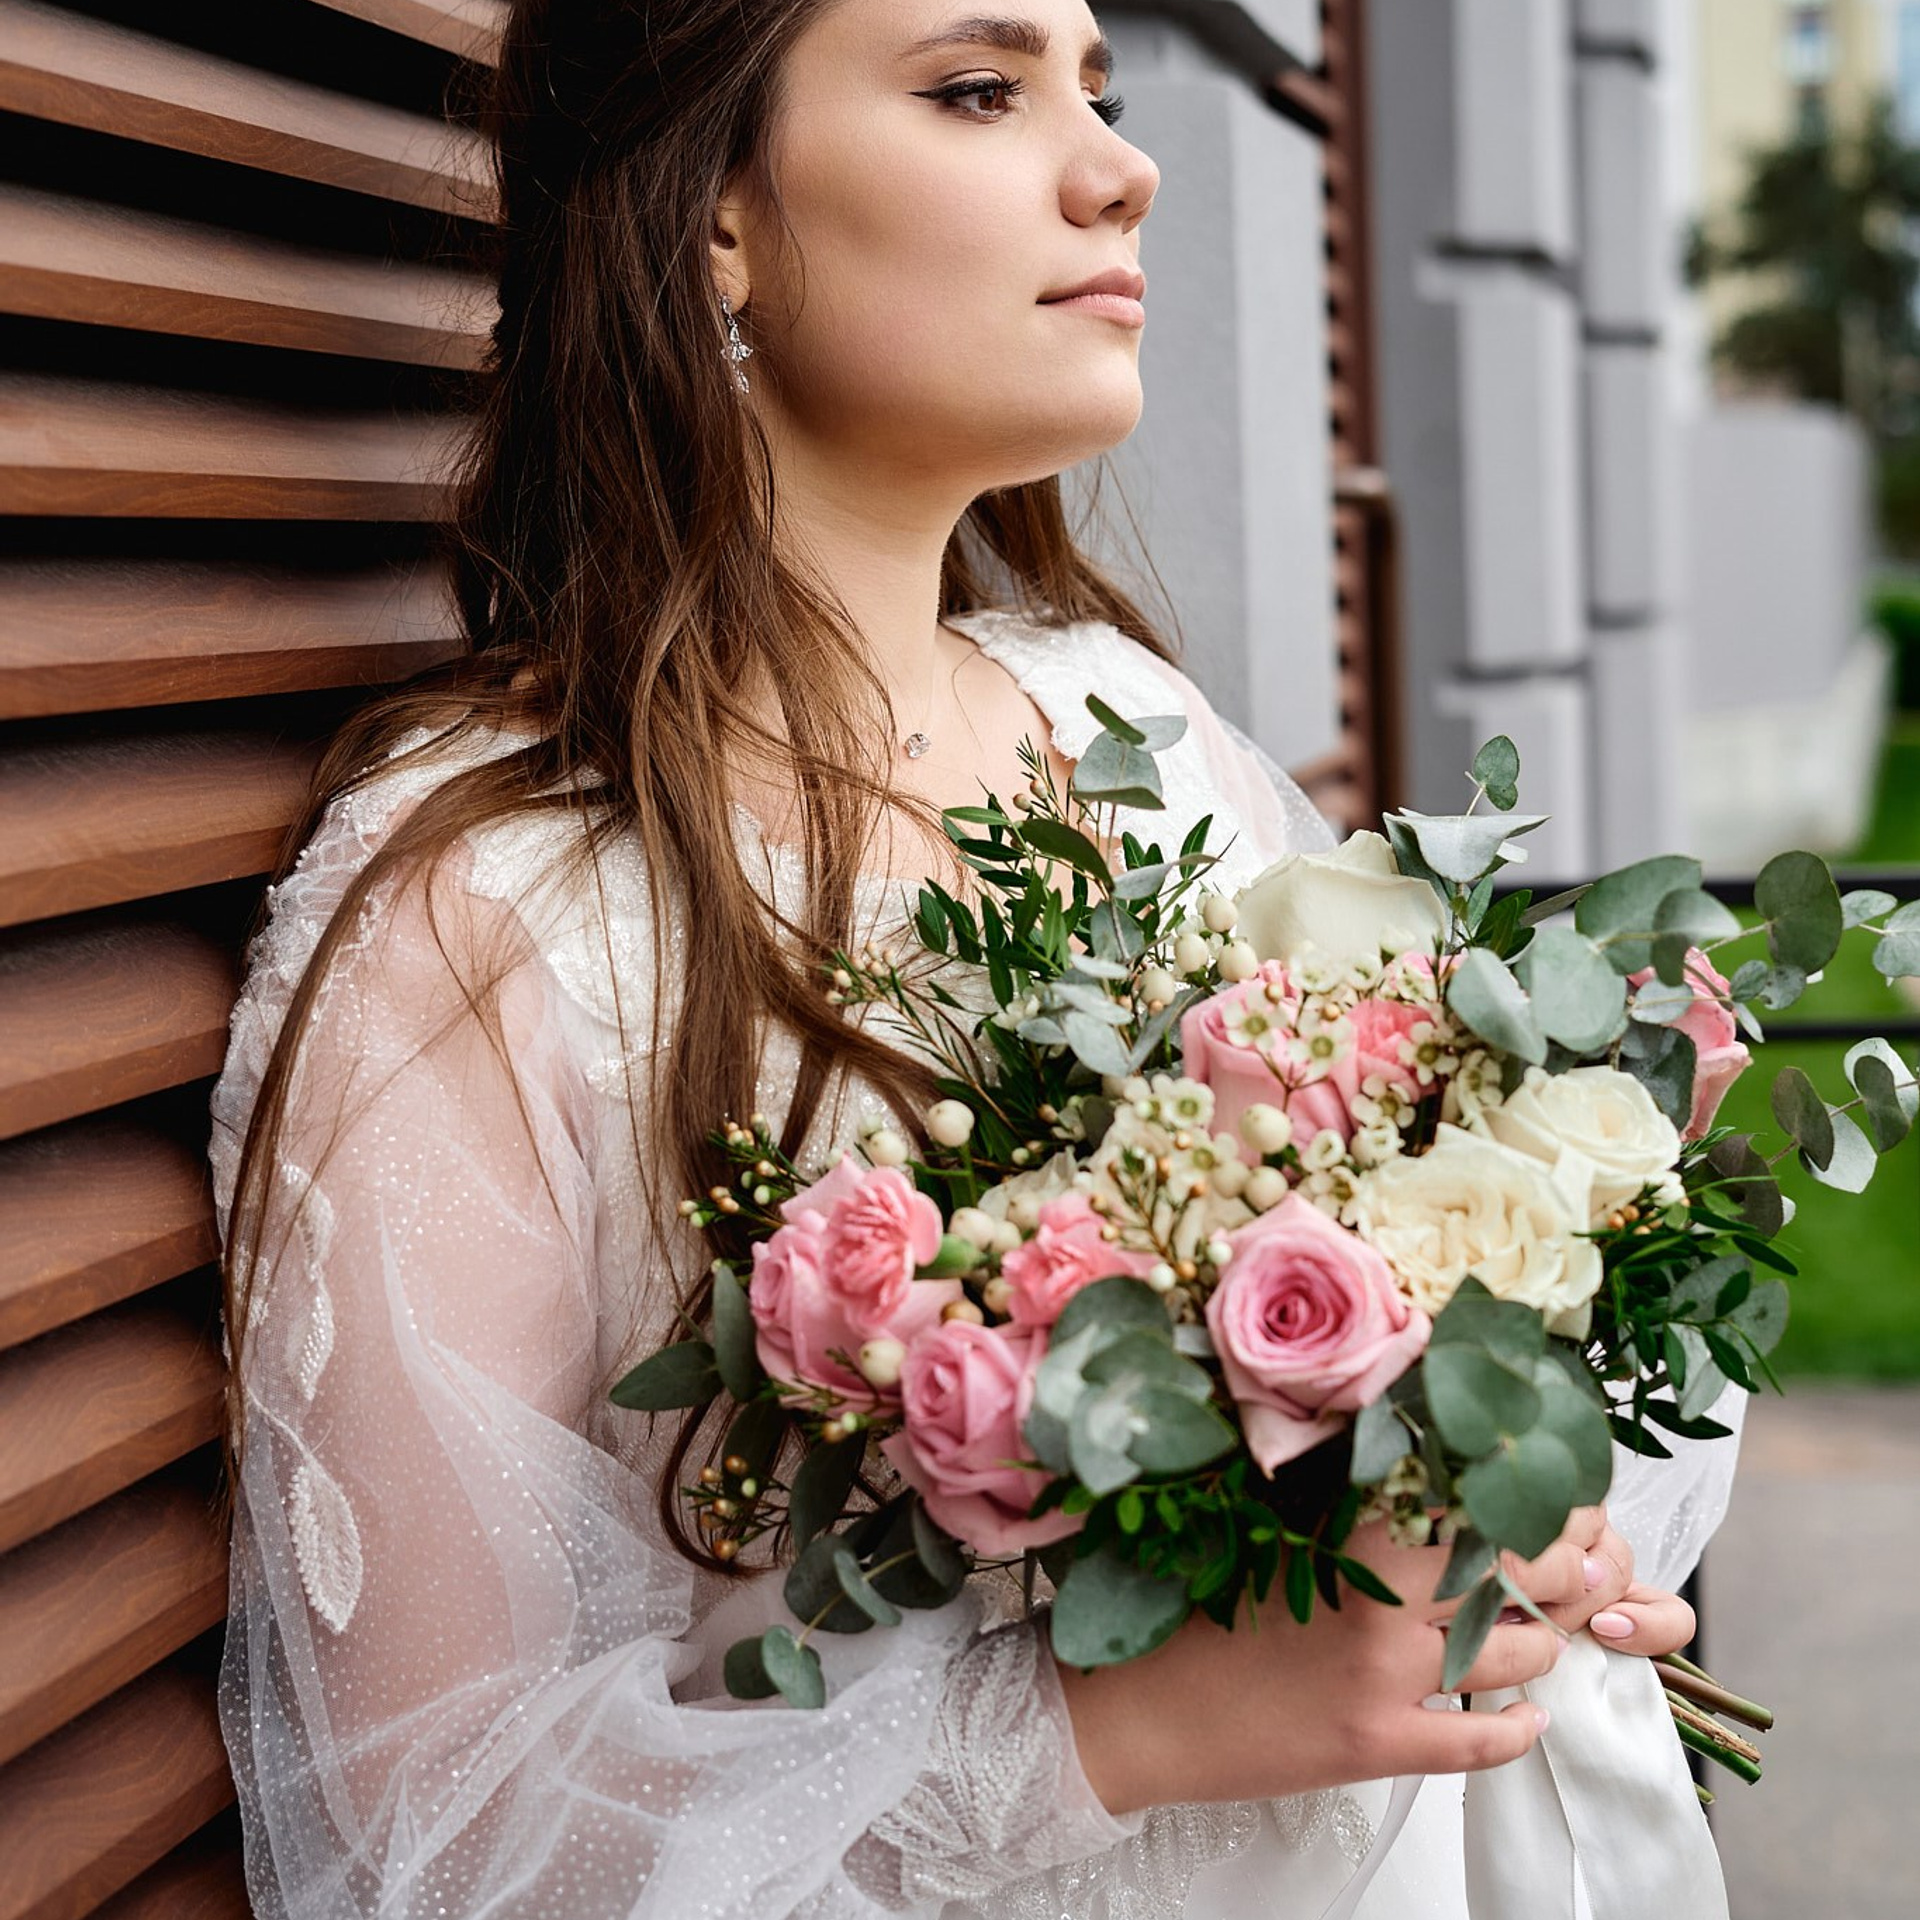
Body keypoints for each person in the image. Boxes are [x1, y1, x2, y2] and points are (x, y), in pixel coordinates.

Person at [210, 4, 1728, 1914]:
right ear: (716, 221)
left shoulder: (1135, 735)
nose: (1119, 162)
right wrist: (1118, 1732)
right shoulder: (487, 914)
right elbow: (430, 1820)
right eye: (979, 89)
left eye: (1101, 85)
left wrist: (1504, 1491)